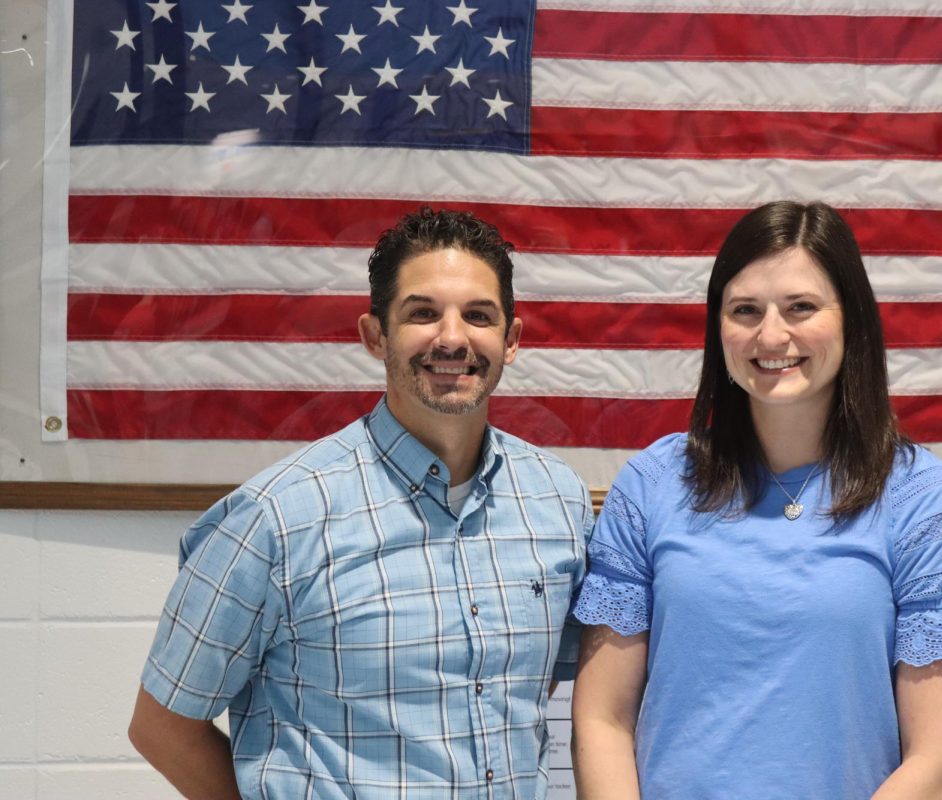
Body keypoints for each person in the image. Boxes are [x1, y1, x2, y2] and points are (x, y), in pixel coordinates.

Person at [128, 208, 593, 800]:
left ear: (512, 339)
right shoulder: (274, 517)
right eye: (422, 313)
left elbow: (552, 695)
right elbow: (162, 726)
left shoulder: (558, 502)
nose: (452, 338)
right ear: (375, 335)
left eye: (478, 316)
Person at [570, 201, 942, 799]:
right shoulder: (651, 485)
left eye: (801, 307)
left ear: (852, 319)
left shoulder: (921, 501)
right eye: (745, 310)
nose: (771, 335)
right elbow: (601, 721)